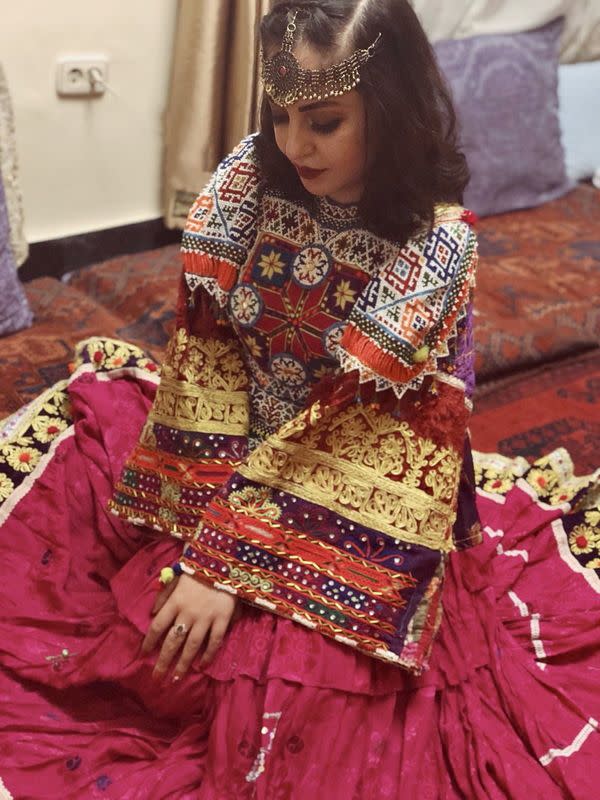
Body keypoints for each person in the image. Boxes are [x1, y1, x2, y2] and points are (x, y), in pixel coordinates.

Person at [0, 1, 598, 798]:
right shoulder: (249, 179)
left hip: (363, 488)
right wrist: (207, 520)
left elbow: (359, 430)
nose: (292, 145)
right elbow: (209, 358)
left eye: (323, 121)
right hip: (240, 458)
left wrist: (225, 560)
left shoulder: (437, 247)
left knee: (285, 705)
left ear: (388, 111)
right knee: (141, 621)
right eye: (280, 115)